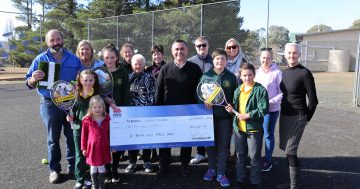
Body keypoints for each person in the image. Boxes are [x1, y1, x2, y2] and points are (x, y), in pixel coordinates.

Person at [25, 29, 83, 183]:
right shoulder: (39, 59)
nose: (56, 42)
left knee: (72, 137)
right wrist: (33, 79)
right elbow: (29, 83)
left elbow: (83, 77)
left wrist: (79, 83)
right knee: (53, 139)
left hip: (70, 104)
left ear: (62, 40)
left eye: (58, 39)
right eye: (52, 40)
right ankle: (55, 170)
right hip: (49, 104)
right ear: (47, 42)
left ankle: (73, 166)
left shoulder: (74, 59)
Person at [155, 39, 202, 179]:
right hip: (167, 112)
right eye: (176, 49)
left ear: (187, 51)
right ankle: (164, 166)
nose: (179, 51)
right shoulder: (165, 68)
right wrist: (157, 110)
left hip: (188, 112)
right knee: (165, 141)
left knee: (186, 141)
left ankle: (185, 166)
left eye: (182, 49)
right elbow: (159, 90)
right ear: (172, 51)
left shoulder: (195, 69)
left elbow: (200, 91)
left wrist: (199, 108)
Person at [278, 43, 318, 189]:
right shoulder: (284, 72)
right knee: (286, 151)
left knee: (290, 151)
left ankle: (294, 186)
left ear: (299, 54)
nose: (291, 56)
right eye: (289, 53)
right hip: (284, 116)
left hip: (298, 117)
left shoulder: (305, 73)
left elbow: (313, 101)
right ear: (285, 54)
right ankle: (290, 182)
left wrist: (306, 118)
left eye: (295, 53)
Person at [225, 63, 269, 189]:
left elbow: (263, 110)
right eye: (244, 75)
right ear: (240, 76)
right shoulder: (238, 90)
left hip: (254, 130)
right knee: (240, 157)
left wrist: (247, 115)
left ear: (254, 75)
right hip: (239, 129)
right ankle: (240, 180)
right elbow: (235, 107)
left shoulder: (260, 90)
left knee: (255, 158)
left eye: (250, 75)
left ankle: (255, 182)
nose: (247, 78)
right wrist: (231, 109)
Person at [201, 48, 237, 188]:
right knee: (210, 145)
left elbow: (236, 96)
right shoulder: (206, 76)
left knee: (223, 146)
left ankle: (221, 173)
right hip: (208, 118)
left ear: (226, 61)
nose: (220, 61)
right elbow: (198, 96)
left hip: (225, 118)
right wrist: (204, 103)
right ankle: (211, 169)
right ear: (213, 60)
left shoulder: (231, 77)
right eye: (217, 59)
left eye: (223, 59)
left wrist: (232, 106)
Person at [101, 44, 130, 183]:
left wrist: (123, 112)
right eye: (107, 57)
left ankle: (115, 169)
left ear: (117, 57)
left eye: (112, 57)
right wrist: (105, 99)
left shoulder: (123, 72)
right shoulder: (98, 71)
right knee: (105, 143)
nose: (110, 60)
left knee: (116, 143)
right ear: (103, 57)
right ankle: (107, 169)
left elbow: (126, 93)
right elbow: (94, 92)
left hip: (118, 113)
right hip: (101, 114)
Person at [67, 69, 100, 189]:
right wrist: (69, 117)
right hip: (78, 128)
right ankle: (80, 179)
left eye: (91, 80)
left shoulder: (97, 95)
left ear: (94, 80)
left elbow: (100, 111)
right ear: (80, 80)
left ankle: (90, 179)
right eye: (85, 80)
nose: (88, 82)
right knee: (79, 154)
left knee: (90, 154)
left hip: (92, 131)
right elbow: (72, 112)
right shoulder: (75, 94)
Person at [125, 54, 156, 174]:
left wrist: (146, 110)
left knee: (146, 139)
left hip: (145, 113)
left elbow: (152, 95)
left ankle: (147, 161)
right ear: (132, 65)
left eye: (140, 64)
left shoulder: (148, 77)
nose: (138, 66)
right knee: (132, 139)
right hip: (131, 114)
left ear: (144, 65)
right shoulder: (128, 78)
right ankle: (132, 162)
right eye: (135, 64)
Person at [254, 48, 283, 172]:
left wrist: (269, 103)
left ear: (272, 59)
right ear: (260, 58)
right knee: (256, 133)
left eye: (268, 58)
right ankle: (257, 158)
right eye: (263, 57)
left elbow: (282, 93)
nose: (265, 60)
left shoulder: (277, 73)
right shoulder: (256, 72)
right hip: (257, 110)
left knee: (268, 134)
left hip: (270, 110)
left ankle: (267, 160)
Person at [188, 36, 213, 164]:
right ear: (195, 47)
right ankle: (200, 153)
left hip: (213, 102)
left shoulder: (215, 60)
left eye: (204, 45)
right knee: (199, 128)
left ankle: (213, 154)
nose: (202, 47)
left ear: (208, 46)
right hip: (196, 102)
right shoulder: (190, 62)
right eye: (199, 46)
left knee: (214, 129)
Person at [81, 95, 111, 189]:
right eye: (94, 107)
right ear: (90, 108)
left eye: (99, 107)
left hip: (103, 147)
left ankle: (101, 184)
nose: (97, 109)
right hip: (92, 148)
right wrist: (83, 148)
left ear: (103, 107)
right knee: (93, 167)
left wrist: (112, 146)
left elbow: (110, 134)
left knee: (102, 166)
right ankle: (94, 184)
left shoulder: (107, 119)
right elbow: (84, 135)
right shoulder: (87, 120)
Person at [144, 44, 166, 162]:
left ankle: (164, 155)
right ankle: (153, 152)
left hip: (163, 102)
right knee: (151, 129)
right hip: (150, 103)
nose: (156, 56)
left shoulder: (167, 67)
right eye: (154, 54)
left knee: (162, 129)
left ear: (162, 55)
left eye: (158, 53)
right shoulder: (148, 70)